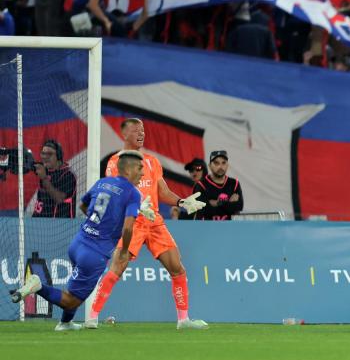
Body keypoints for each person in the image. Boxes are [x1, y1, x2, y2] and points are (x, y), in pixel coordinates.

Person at [10, 150, 155, 331]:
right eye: (140, 168)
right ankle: (38, 285)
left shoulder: (103, 182)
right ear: (128, 169)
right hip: (95, 254)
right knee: (71, 301)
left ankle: (65, 323)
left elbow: (83, 205)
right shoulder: (133, 193)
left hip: (78, 243)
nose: (142, 173)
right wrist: (124, 251)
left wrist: (99, 223)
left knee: (76, 290)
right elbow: (127, 227)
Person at [87, 118, 208, 330]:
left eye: (143, 130)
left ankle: (183, 320)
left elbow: (162, 191)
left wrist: (182, 201)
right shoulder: (115, 162)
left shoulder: (152, 161)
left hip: (154, 223)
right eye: (136, 130)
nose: (141, 134)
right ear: (124, 134)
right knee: (116, 268)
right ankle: (92, 317)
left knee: (177, 268)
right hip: (130, 223)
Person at [190, 151, 244, 221]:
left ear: (227, 165)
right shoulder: (201, 185)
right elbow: (205, 211)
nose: (220, 166)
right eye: (216, 163)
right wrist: (229, 203)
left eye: (223, 163)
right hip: (206, 228)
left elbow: (239, 206)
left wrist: (216, 203)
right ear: (209, 166)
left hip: (229, 229)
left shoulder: (234, 184)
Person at [32, 139, 77, 218]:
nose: (45, 157)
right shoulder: (45, 170)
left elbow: (59, 199)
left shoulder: (68, 175)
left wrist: (44, 178)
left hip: (60, 225)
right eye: (43, 153)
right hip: (38, 222)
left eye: (49, 154)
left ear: (58, 156)